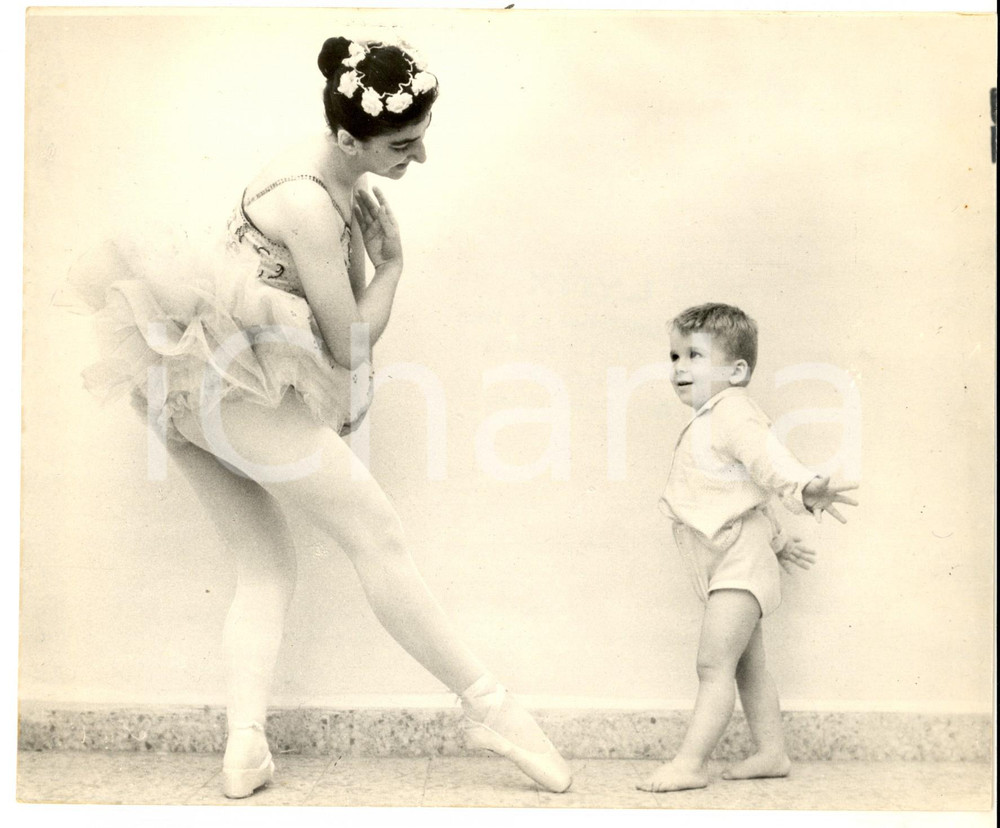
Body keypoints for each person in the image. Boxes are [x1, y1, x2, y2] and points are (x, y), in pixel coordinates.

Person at [60, 36, 572, 798]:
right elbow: (349, 340)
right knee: (378, 534)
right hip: (225, 387)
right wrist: (395, 268)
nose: (420, 158)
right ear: (346, 136)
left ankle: (245, 749)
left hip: (194, 387)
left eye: (423, 137)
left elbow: (339, 327)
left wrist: (364, 291)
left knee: (265, 564)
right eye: (404, 144)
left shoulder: (330, 171)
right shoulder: (305, 199)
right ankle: (495, 710)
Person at [637, 303, 857, 793]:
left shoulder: (733, 412)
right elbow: (741, 489)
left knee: (713, 663)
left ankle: (691, 763)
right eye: (674, 356)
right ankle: (772, 752)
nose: (678, 368)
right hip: (732, 553)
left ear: (737, 371)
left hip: (737, 558)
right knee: (747, 666)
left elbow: (769, 462)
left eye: (694, 355)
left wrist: (805, 487)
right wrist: (776, 539)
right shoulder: (710, 418)